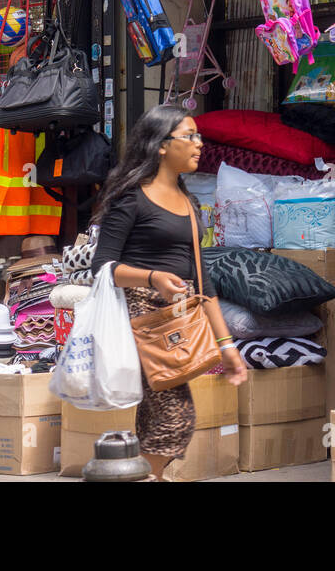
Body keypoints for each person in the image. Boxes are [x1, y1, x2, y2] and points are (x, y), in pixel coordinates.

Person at [90, 104, 247, 480]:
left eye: (198, 136)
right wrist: (152, 278)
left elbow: (203, 282)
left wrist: (226, 345)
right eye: (189, 136)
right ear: (161, 145)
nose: (199, 143)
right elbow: (101, 267)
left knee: (155, 417)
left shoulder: (188, 202)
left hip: (176, 322)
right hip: (141, 321)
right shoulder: (131, 198)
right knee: (175, 419)